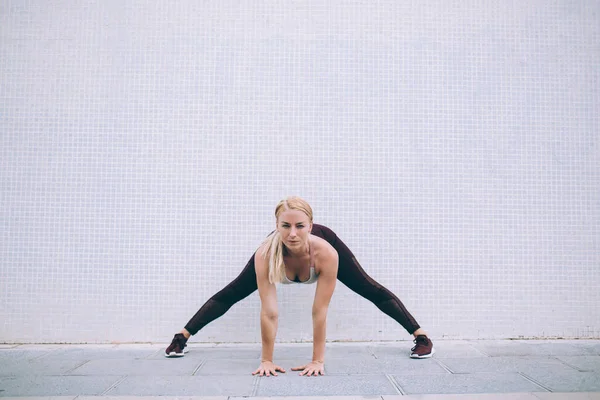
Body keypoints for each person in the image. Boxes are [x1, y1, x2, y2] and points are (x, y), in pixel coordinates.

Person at [165, 196, 434, 376]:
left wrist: (318, 361)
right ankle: (181, 338)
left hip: (320, 252)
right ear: (276, 226)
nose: (292, 233)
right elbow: (269, 311)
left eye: (300, 226)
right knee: (233, 292)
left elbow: (319, 311)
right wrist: (266, 360)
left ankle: (421, 336)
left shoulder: (327, 252)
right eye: (285, 226)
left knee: (368, 288)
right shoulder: (265, 253)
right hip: (275, 257)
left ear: (310, 226)